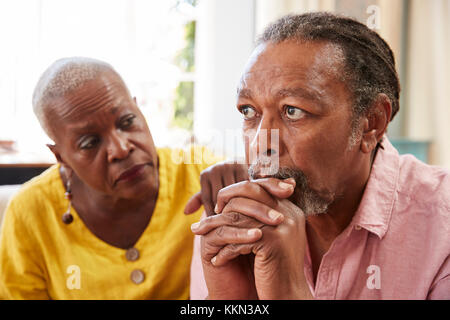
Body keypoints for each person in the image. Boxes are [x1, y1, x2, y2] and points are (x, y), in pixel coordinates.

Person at [188, 12, 450, 299]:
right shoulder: (235, 221)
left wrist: (288, 292)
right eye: (249, 111)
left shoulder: (441, 230)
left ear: (371, 123)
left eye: (293, 111)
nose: (262, 143)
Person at [0, 57, 247, 299]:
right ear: (61, 156)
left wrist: (250, 181)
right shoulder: (29, 212)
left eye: (127, 121)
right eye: (90, 142)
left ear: (139, 110)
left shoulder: (201, 172)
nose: (120, 149)